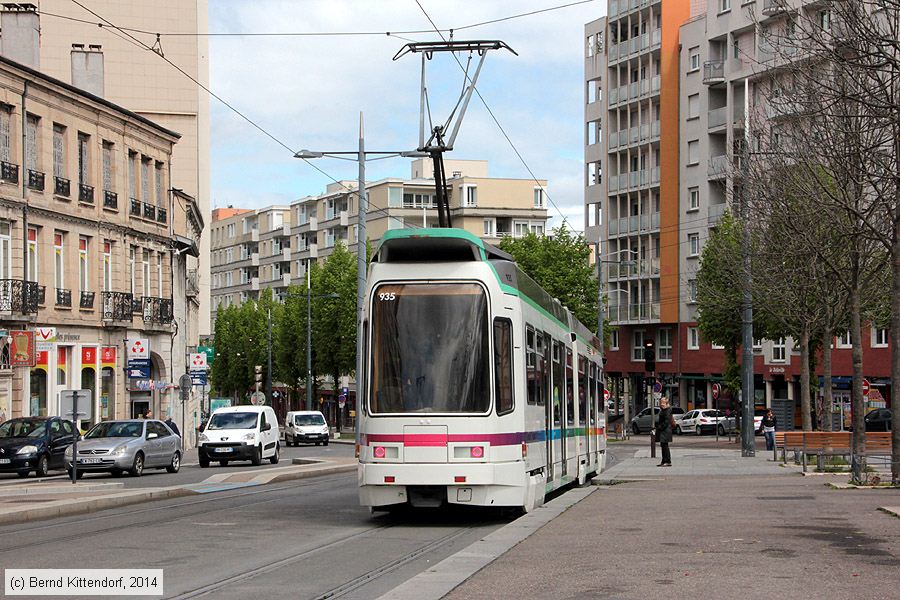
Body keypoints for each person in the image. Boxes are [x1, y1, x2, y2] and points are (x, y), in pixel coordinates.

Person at [656, 397, 674, 467]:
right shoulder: (663, 410)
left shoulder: (667, 410)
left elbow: (666, 421)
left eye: (663, 402)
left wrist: (660, 427)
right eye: (661, 402)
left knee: (665, 446)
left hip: (665, 431)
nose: (661, 404)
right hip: (663, 431)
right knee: (663, 446)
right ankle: (664, 461)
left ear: (666, 403)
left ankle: (668, 461)